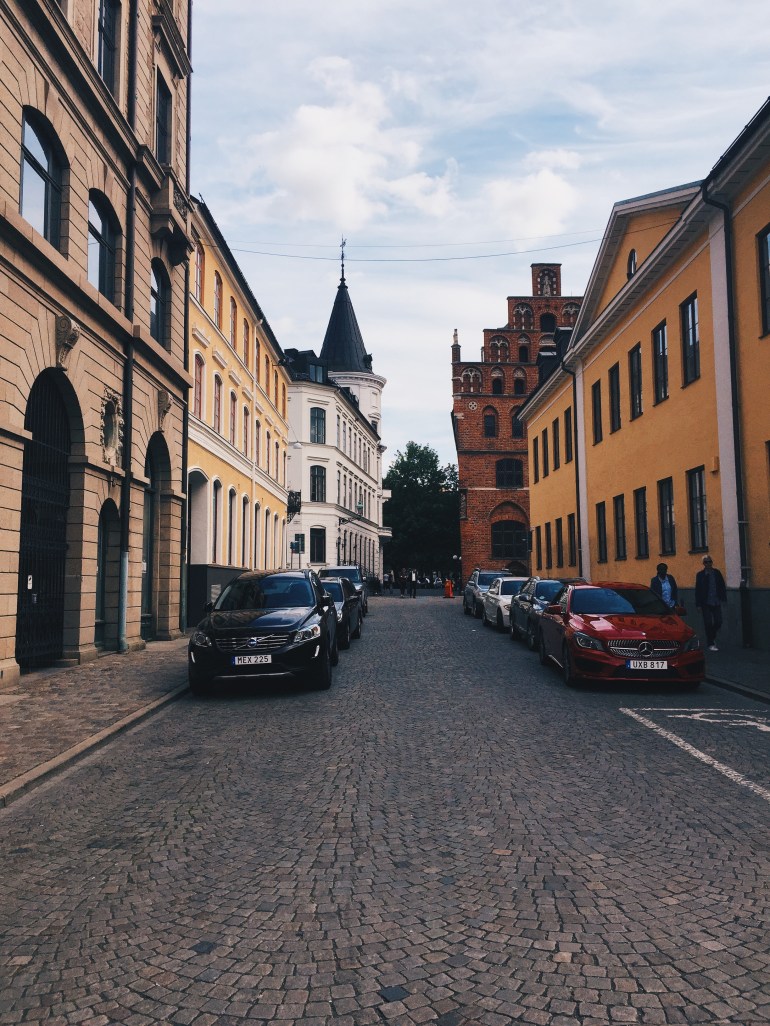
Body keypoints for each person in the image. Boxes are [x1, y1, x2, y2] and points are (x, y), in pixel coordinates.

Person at [695, 554, 727, 651]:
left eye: (710, 561)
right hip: (706, 603)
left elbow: (722, 586)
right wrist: (698, 604)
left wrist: (724, 599)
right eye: (706, 562)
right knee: (708, 623)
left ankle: (711, 637)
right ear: (703, 564)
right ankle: (710, 643)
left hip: (716, 601)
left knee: (718, 621)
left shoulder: (717, 573)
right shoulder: (700, 575)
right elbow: (698, 590)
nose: (708, 564)